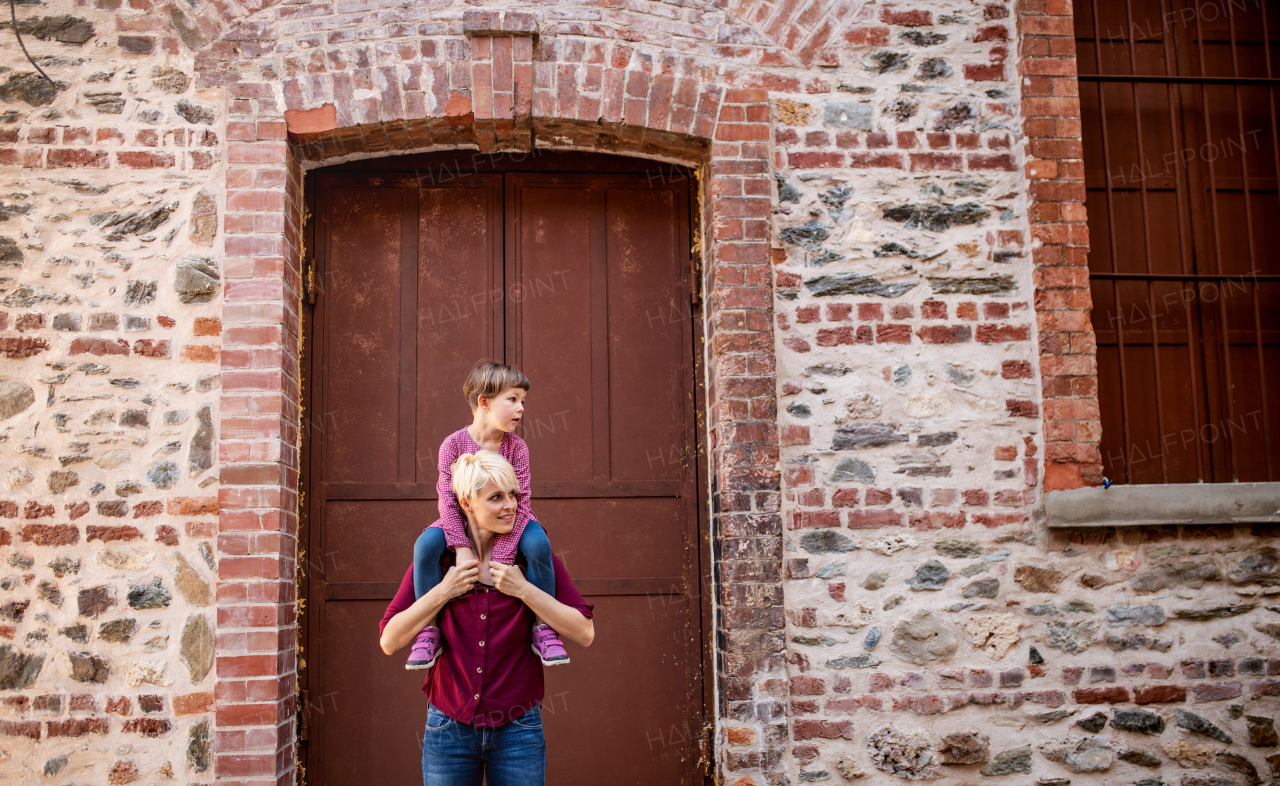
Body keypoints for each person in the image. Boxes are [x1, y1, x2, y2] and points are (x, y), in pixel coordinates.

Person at [379, 450, 595, 786]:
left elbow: (584, 632)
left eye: (512, 495)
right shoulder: (438, 560)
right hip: (447, 728)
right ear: (466, 502)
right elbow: (390, 641)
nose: (510, 506)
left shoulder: (532, 557)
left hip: (519, 729)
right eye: (496, 497)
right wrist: (443, 591)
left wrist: (524, 590)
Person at [407, 361, 569, 669]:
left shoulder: (516, 447)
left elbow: (520, 501)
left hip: (515, 519)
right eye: (513, 399)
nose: (521, 408)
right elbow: (448, 501)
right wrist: (461, 548)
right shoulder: (452, 445)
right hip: (460, 519)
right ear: (484, 402)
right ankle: (428, 633)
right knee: (425, 545)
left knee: (537, 545)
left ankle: (544, 629)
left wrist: (504, 554)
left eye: (523, 401)